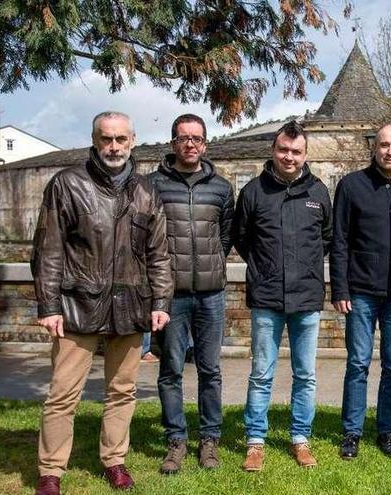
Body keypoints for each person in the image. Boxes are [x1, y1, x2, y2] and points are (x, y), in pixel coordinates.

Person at [31, 111, 173, 495]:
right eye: (106, 139)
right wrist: (48, 306)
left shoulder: (146, 191)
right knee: (62, 394)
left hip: (131, 307)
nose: (113, 146)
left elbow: (158, 254)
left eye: (121, 139)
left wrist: (161, 301)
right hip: (76, 307)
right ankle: (51, 470)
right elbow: (48, 250)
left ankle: (115, 461)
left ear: (132, 141)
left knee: (122, 391)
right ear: (95, 140)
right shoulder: (67, 184)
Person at [231, 121, 332, 472]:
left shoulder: (318, 193)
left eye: (296, 151)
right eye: (283, 150)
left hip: (306, 298)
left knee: (306, 374)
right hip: (267, 296)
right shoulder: (253, 192)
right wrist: (265, 268)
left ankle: (300, 438)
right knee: (261, 373)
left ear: (305, 155)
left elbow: (327, 239)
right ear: (273, 150)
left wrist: (304, 267)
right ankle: (255, 441)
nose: (289, 157)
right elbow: (242, 239)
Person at [330, 123, 391, 459]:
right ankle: (351, 432)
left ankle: (387, 430)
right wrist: (340, 287)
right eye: (384, 145)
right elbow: (339, 241)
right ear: (375, 148)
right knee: (357, 363)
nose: (390, 151)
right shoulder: (352, 185)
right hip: (360, 293)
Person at [147, 113, 235, 473]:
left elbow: (226, 236)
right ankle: (176, 440)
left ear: (205, 144)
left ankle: (210, 439)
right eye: (183, 138)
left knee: (210, 369)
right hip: (171, 295)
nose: (190, 144)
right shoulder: (151, 185)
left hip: (211, 295)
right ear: (173, 143)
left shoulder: (221, 187)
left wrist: (211, 266)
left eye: (197, 138)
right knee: (170, 369)